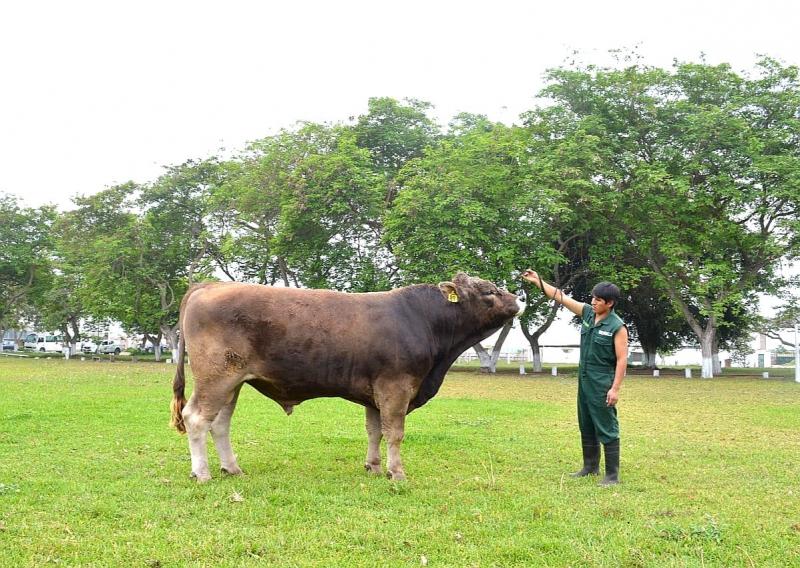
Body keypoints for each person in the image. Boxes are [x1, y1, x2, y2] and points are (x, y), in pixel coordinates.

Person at [521, 269, 628, 486]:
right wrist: (538, 281)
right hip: (585, 379)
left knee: (606, 425)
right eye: (593, 298)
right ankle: (590, 467)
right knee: (586, 423)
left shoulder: (617, 326)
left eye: (598, 300)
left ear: (610, 303)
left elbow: (622, 360)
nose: (593, 302)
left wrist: (614, 389)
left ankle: (612, 475)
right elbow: (560, 296)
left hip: (602, 381)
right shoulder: (588, 313)